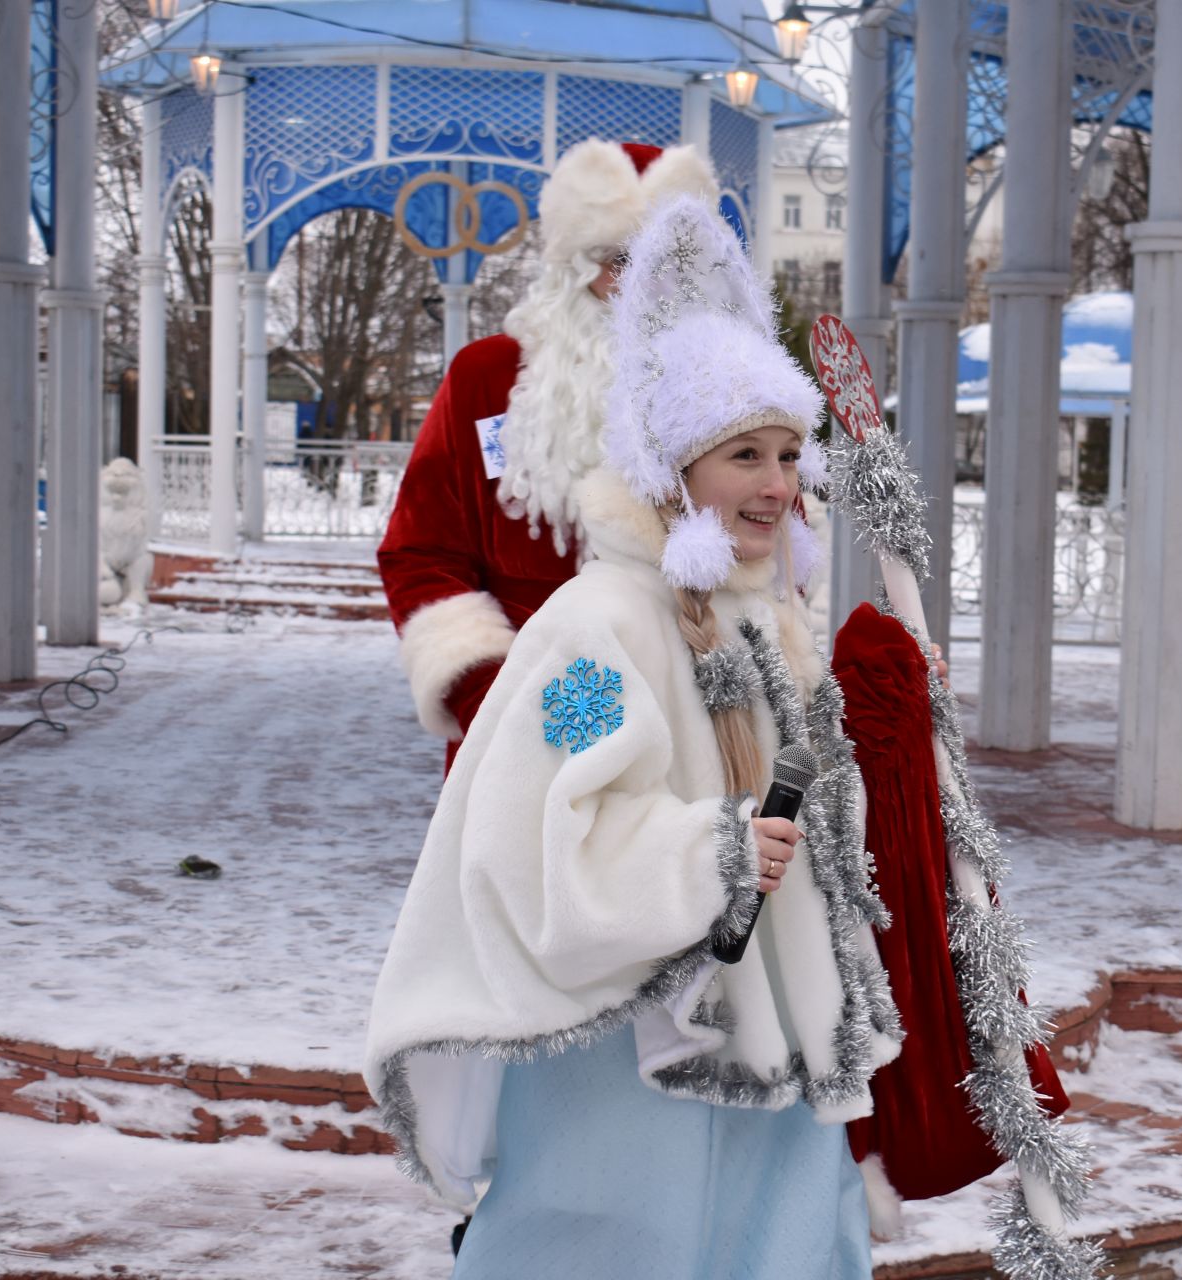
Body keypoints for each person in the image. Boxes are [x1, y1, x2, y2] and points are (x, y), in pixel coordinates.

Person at [365, 195, 902, 1279]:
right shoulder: (587, 630)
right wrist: (708, 849)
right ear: (671, 468)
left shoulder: (770, 615)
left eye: (790, 453)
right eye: (744, 453)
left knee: (790, 1236)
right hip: (628, 1024)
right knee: (605, 1234)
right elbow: (563, 801)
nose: (776, 484)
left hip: (776, 1011)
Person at [377, 139, 719, 771]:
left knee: (674, 866)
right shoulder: (487, 378)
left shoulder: (732, 384)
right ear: (570, 260)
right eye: (616, 257)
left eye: (659, 259)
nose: (636, 282)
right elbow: (421, 552)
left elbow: (782, 548)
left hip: (692, 714)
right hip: (517, 707)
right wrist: (495, 693)